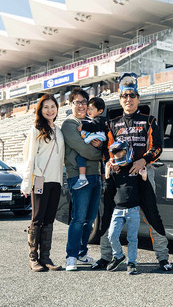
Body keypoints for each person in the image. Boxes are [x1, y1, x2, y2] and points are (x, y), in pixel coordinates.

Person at [92, 72, 173, 272]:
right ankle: (106, 256)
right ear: (120, 99)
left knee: (152, 214)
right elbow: (106, 150)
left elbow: (158, 147)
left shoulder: (149, 120)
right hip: (118, 177)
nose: (128, 99)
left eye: (132, 95)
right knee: (108, 213)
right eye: (124, 96)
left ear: (138, 98)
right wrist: (110, 162)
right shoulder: (112, 123)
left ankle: (163, 257)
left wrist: (143, 160)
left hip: (142, 173)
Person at [21, 93, 65, 272]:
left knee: (49, 219)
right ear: (40, 110)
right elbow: (29, 156)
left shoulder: (59, 130)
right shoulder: (36, 129)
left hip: (56, 180)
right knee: (37, 218)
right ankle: (33, 258)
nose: (50, 110)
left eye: (53, 106)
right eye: (46, 107)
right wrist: (26, 183)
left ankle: (46, 257)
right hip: (40, 179)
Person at [61, 87, 104, 271]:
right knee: (78, 218)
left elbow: (103, 142)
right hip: (78, 176)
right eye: (77, 102)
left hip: (95, 175)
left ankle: (81, 252)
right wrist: (101, 153)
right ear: (71, 104)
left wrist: (100, 146)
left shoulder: (90, 122)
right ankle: (71, 256)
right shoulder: (70, 124)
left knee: (90, 218)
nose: (81, 106)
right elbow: (84, 149)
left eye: (84, 102)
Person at [104, 141, 148, 274]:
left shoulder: (134, 169)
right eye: (116, 154)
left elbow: (143, 189)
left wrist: (144, 177)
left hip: (133, 209)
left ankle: (132, 262)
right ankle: (118, 256)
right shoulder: (115, 171)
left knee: (132, 238)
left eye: (122, 153)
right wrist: (107, 175)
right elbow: (108, 191)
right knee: (112, 235)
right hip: (118, 210)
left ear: (127, 152)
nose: (119, 156)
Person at [73, 97, 108, 190]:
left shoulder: (99, 119)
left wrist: (83, 126)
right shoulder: (98, 119)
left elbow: (94, 127)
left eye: (92, 109)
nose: (89, 111)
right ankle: (104, 181)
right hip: (100, 143)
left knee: (80, 157)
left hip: (99, 141)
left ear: (100, 111)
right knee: (102, 163)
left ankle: (82, 177)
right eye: (88, 108)